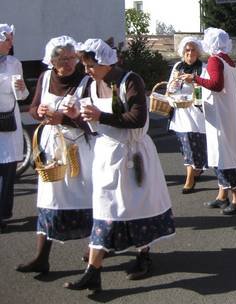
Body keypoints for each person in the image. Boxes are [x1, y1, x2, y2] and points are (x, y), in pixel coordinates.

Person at [64, 39, 175, 291]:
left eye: (91, 65)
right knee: (105, 208)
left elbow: (138, 118)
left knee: (139, 205)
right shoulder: (90, 85)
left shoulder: (130, 80)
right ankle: (93, 271)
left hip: (134, 154)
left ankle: (144, 255)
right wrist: (76, 117)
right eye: (85, 65)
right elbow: (93, 127)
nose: (87, 70)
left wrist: (100, 116)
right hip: (107, 155)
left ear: (105, 62)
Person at [16, 37, 94, 275]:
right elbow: (32, 108)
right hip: (52, 149)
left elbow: (93, 122)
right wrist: (38, 112)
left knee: (86, 197)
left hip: (78, 150)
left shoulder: (86, 81)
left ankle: (94, 250)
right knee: (49, 199)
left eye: (71, 58)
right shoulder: (45, 77)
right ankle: (42, 257)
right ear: (51, 61)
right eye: (62, 59)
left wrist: (67, 118)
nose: (69, 63)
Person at [185, 28, 236, 215]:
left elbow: (216, 84)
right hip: (227, 112)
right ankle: (222, 196)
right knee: (224, 153)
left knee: (222, 155)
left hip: (220, 115)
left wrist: (195, 78)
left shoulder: (215, 60)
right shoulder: (226, 59)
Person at [168, 36, 207, 194]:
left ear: (198, 52)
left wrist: (195, 82)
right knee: (186, 146)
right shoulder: (178, 66)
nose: (190, 53)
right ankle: (191, 177)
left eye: (193, 50)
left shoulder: (203, 68)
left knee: (198, 146)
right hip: (180, 112)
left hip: (196, 113)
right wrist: (176, 82)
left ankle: (195, 172)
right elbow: (170, 88)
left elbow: (207, 90)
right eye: (187, 50)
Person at [0, 24, 28, 233]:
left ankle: (2, 215)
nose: (11, 43)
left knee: (7, 172)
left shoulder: (14, 63)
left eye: (12, 39)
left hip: (8, 123)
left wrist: (22, 89)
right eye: (7, 39)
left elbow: (22, 96)